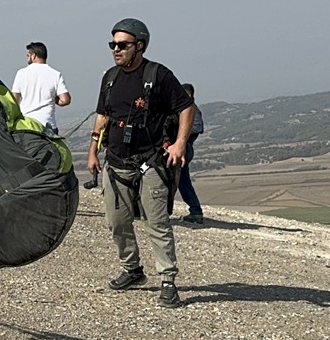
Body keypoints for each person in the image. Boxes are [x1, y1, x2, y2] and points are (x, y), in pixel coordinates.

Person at [86, 18, 196, 309]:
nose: (116, 50)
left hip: (151, 163)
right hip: (116, 162)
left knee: (156, 224)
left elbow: (186, 107)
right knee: (116, 222)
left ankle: (168, 280)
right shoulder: (109, 78)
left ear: (140, 46)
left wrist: (180, 143)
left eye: (122, 45)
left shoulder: (158, 75)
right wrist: (92, 151)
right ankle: (132, 269)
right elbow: (102, 116)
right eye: (113, 45)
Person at [11, 41, 71, 134]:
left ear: (33, 55)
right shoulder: (55, 74)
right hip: (48, 126)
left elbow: (14, 100)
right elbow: (65, 100)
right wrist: (54, 99)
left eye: (28, 55)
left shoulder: (21, 73)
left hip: (27, 125)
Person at [177, 83, 206, 224]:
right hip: (181, 148)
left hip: (184, 148)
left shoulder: (192, 110)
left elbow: (197, 128)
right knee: (181, 181)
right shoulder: (184, 109)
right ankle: (195, 211)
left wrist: (180, 137)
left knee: (182, 181)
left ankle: (195, 211)